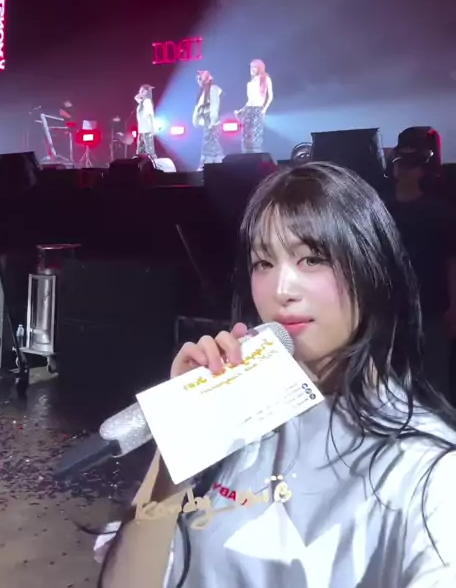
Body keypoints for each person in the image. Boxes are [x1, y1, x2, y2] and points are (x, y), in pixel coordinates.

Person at [96, 162, 456, 588]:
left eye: (312, 259)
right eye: (263, 263)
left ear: (373, 268)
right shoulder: (230, 421)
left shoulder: (428, 471)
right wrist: (180, 445)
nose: (281, 290)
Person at [387, 138, 456, 398]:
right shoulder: (382, 210)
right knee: (396, 381)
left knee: (436, 380)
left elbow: (452, 261)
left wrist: (454, 306)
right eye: (401, 164)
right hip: (392, 310)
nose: (405, 170)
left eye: (412, 165)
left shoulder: (439, 212)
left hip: (432, 308)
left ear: (421, 170)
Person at [235, 59, 273, 154]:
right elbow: (250, 100)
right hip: (248, 109)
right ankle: (246, 155)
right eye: (251, 67)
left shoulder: (265, 79)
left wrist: (264, 109)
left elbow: (270, 96)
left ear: (259, 68)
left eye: (254, 67)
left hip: (258, 109)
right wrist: (241, 110)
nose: (252, 69)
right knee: (246, 135)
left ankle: (255, 155)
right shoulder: (250, 82)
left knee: (256, 135)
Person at [192, 71, 224, 169]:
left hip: (211, 121)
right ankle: (213, 167)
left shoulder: (213, 89)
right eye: (197, 79)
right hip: (206, 121)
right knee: (211, 145)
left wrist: (212, 122)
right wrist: (197, 120)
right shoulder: (202, 91)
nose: (198, 81)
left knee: (210, 145)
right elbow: (198, 108)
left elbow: (214, 106)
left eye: (200, 78)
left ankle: (207, 167)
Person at [135, 85, 156, 159]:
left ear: (146, 92)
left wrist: (153, 129)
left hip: (147, 130)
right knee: (140, 152)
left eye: (142, 91)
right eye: (140, 90)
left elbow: (151, 116)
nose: (140, 92)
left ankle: (154, 163)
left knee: (149, 151)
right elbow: (136, 97)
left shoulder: (147, 102)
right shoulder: (142, 102)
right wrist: (141, 93)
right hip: (141, 130)